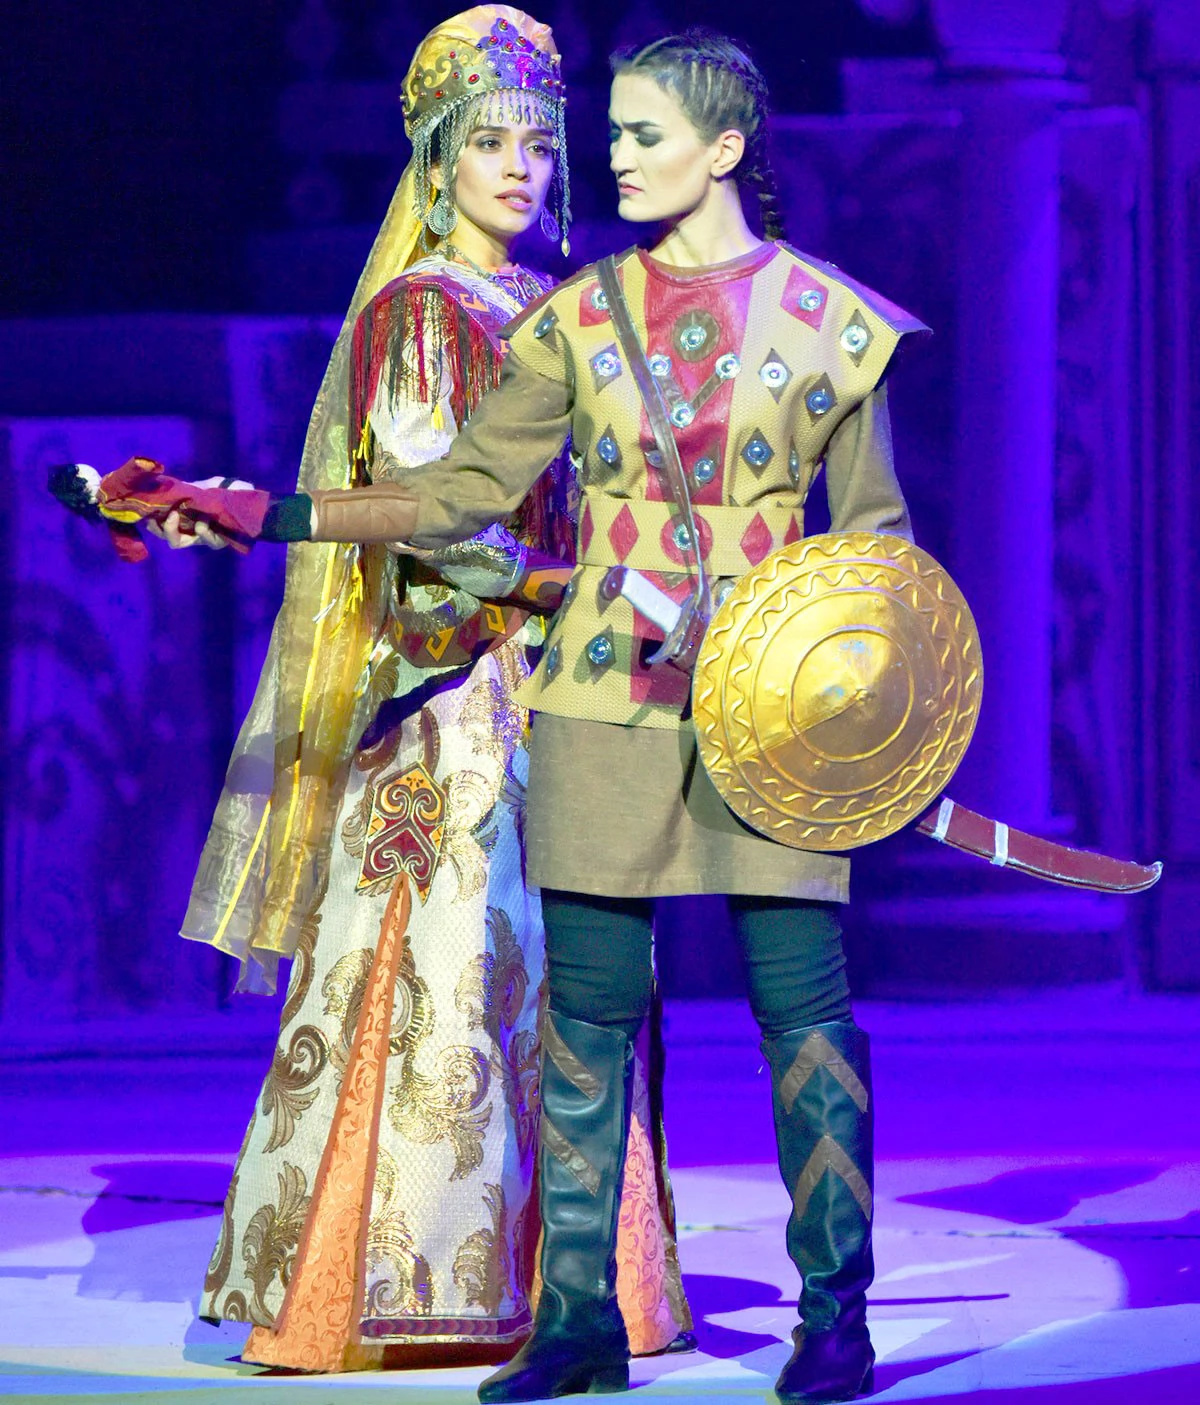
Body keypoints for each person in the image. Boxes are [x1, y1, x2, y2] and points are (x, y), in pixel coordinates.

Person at [166, 26, 919, 1405]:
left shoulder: (835, 325)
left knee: (803, 1010)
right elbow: (452, 496)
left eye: (638, 134)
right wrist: (275, 513)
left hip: (760, 716)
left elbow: (876, 553)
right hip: (593, 701)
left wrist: (847, 695)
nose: (601, 158)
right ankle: (576, 1323)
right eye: (607, 132)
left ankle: (836, 1320)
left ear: (724, 150)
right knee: (585, 1015)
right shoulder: (580, 319)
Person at [168, 7, 691, 1374]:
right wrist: (563, 585)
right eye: (490, 143)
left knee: (568, 970)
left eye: (538, 143)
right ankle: (396, 1277)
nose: (519, 167)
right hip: (462, 695)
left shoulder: (556, 309)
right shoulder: (423, 312)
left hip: (567, 684)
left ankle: (568, 1282)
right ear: (440, 160)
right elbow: (430, 519)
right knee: (454, 959)